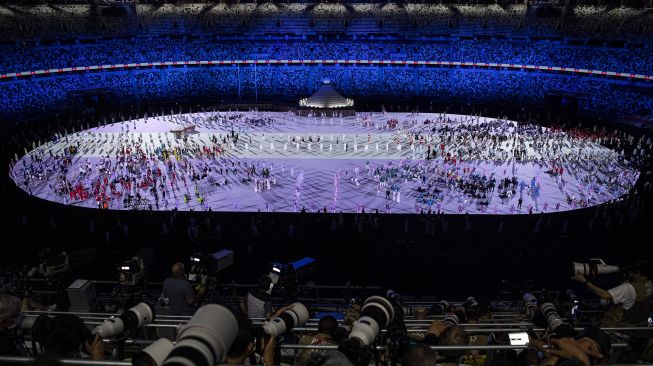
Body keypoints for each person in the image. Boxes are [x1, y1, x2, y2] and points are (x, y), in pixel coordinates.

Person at [573, 260, 652, 327]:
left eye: (630, 271)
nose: (628, 273)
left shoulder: (628, 288)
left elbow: (606, 295)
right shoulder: (648, 283)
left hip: (620, 329)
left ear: (637, 272)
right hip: (638, 327)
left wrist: (585, 281)